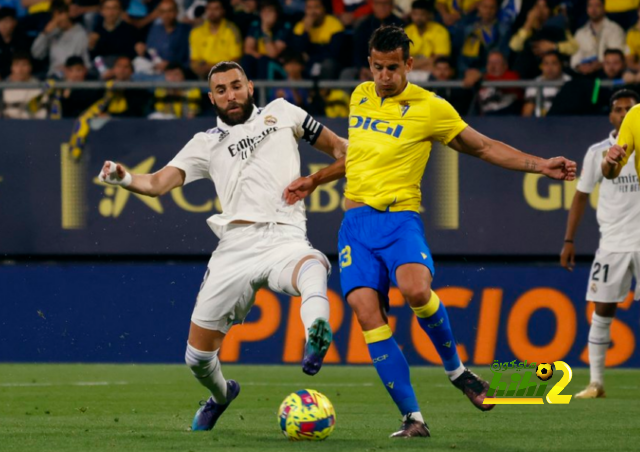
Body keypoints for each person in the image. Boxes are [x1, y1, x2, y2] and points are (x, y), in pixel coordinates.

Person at [284, 25, 577, 438]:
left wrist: (539, 164)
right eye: (377, 68)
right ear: (369, 64)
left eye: (392, 68)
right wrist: (316, 179)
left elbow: (482, 147)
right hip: (355, 226)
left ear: (409, 64)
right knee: (368, 315)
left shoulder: (430, 107)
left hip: (400, 219)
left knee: (416, 289)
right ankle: (413, 419)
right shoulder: (359, 96)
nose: (384, 76)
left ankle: (458, 372)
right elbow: (358, 156)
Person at [98, 60, 347, 432]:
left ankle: (317, 331)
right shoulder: (205, 143)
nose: (230, 95)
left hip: (284, 234)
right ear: (211, 98)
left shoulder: (283, 112)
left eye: (236, 86)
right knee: (197, 357)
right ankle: (221, 395)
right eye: (221, 90)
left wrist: (314, 179)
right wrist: (125, 178)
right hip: (234, 247)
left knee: (312, 264)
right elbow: (157, 184)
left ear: (249, 86)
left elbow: (344, 151)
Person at [560, 89, 640, 399]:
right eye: (618, 109)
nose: (623, 114)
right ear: (610, 116)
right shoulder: (598, 152)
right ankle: (596, 383)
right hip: (613, 243)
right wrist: (569, 239)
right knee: (602, 309)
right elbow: (582, 193)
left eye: (629, 109)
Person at [570, 0, 625, 77]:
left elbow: (616, 57)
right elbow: (575, 59)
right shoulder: (580, 33)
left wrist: (600, 64)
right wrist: (579, 67)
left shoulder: (615, 30)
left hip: (609, 75)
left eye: (597, 6)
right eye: (590, 6)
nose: (593, 9)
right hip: (584, 76)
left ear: (603, 8)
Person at [522, 50, 570, 117]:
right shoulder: (535, 83)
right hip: (541, 122)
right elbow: (527, 111)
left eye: (554, 63)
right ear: (541, 66)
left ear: (561, 65)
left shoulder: (570, 82)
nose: (550, 68)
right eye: (546, 63)